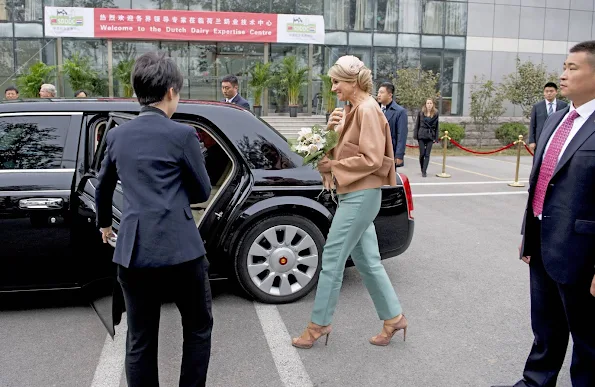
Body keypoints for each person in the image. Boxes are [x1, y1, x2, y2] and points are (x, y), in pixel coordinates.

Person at [95, 51, 213, 387]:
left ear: (136, 94)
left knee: (140, 338)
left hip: (135, 251)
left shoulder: (117, 135)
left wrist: (105, 225)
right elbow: (202, 190)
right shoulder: (182, 135)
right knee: (197, 329)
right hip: (182, 251)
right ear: (172, 91)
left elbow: (102, 188)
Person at [493, 41, 595, 387]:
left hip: (584, 254)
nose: (563, 75)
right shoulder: (555, 120)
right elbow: (541, 184)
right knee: (546, 329)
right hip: (544, 245)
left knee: (589, 343)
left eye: (572, 68)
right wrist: (529, 238)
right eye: (564, 67)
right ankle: (536, 382)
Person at [291, 55, 407, 349]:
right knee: (368, 261)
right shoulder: (354, 109)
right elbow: (342, 150)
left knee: (331, 260)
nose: (333, 88)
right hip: (355, 195)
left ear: (353, 81)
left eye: (336, 82)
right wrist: (330, 130)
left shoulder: (367, 110)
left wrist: (331, 168)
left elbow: (369, 159)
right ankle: (393, 318)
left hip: (361, 196)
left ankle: (318, 325)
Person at [528, 82, 568, 151]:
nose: (549, 93)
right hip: (540, 139)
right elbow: (532, 125)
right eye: (547, 91)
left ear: (556, 92)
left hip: (558, 139)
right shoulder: (537, 106)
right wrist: (532, 141)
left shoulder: (563, 105)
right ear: (544, 93)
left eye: (551, 91)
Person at [377, 82, 408, 168]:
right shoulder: (374, 108)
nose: (378, 95)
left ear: (390, 95)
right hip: (375, 151)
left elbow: (401, 135)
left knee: (389, 179)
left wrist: (399, 155)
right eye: (378, 92)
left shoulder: (400, 112)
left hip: (390, 151)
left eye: (382, 92)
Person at [413, 98, 439, 177]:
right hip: (421, 134)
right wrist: (416, 135)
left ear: (433, 104)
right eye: (428, 103)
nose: (429, 105)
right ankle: (422, 167)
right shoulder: (421, 113)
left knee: (427, 154)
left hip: (430, 135)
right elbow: (417, 124)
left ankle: (424, 171)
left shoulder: (436, 113)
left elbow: (437, 126)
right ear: (425, 104)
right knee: (422, 154)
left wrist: (436, 137)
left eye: (430, 103)